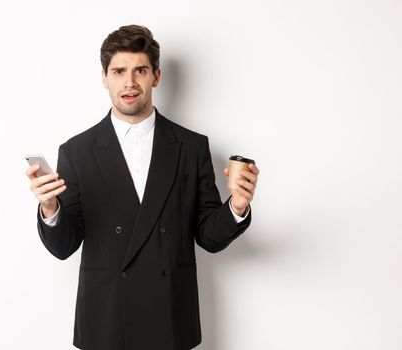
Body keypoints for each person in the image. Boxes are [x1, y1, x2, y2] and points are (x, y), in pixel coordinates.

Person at [26, 24, 260, 350]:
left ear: (156, 76)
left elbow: (208, 235)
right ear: (104, 78)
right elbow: (64, 245)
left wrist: (236, 208)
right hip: (106, 321)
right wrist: (50, 209)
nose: (130, 82)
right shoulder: (77, 151)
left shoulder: (191, 147)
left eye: (140, 70)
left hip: (170, 318)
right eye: (119, 71)